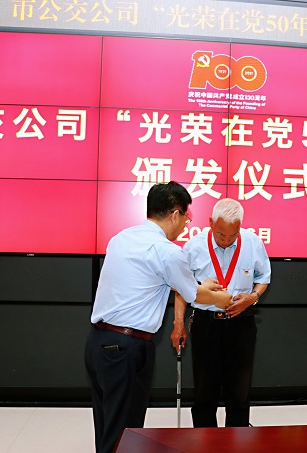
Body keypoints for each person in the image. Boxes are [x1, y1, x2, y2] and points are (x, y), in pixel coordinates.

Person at [84, 182, 232, 453]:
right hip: (127, 349)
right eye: (186, 217)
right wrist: (220, 298)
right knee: (125, 433)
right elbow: (193, 294)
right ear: (175, 214)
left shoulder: (121, 238)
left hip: (98, 343)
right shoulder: (167, 251)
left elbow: (150, 280)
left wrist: (200, 287)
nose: (186, 224)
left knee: (108, 427)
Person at [170, 198, 271, 427]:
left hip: (241, 324)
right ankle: (205, 441)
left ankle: (237, 440)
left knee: (239, 393)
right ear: (211, 223)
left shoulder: (253, 243)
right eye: (220, 235)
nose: (226, 241)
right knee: (205, 393)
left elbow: (263, 278)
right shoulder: (193, 247)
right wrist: (178, 324)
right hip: (206, 325)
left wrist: (253, 297)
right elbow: (182, 290)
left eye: (232, 235)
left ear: (240, 226)